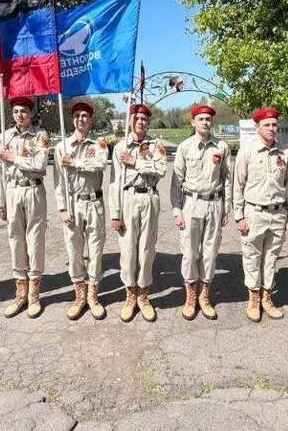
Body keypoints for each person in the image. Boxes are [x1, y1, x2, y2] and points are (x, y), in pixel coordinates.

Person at [233, 108, 288, 323]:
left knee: (271, 258)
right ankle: (253, 298)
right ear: (257, 127)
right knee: (252, 257)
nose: (271, 128)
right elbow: (238, 186)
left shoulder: (284, 154)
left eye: (274, 124)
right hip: (254, 213)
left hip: (278, 213)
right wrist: (238, 216)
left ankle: (267, 297)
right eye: (266, 125)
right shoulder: (247, 152)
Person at [170, 104, 232, 321]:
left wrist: (226, 207)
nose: (205, 122)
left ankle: (204, 296)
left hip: (214, 204)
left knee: (209, 252)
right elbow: (177, 182)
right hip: (191, 204)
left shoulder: (222, 147)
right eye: (201, 119)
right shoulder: (185, 147)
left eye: (208, 119)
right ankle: (190, 296)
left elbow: (227, 179)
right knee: (189, 252)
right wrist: (177, 210)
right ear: (193, 122)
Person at [109, 103, 167, 322]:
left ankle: (144, 295)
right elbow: (114, 182)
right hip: (128, 198)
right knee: (128, 250)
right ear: (129, 121)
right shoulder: (120, 147)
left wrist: (136, 162)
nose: (140, 122)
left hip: (150, 196)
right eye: (136, 118)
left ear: (149, 122)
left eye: (144, 119)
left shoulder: (155, 145)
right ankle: (130, 295)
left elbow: (161, 169)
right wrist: (115, 213)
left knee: (146, 249)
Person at [53, 100, 109, 320]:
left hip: (94, 203)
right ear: (72, 119)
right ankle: (79, 296)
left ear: (91, 119)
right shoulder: (62, 147)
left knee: (95, 252)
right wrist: (62, 209)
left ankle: (93, 296)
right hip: (73, 204)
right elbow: (58, 182)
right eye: (77, 116)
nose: (81, 119)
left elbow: (100, 164)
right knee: (74, 252)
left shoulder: (99, 143)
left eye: (85, 115)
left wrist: (75, 163)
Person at [0, 96, 50, 319]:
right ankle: (21, 293)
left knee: (34, 239)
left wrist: (14, 157)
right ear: (12, 114)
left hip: (34, 190)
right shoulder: (4, 137)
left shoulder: (41, 136)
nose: (20, 114)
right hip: (12, 190)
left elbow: (40, 164)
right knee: (15, 239)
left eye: (24, 111)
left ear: (31, 113)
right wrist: (0, 202)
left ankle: (35, 294)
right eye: (16, 111)